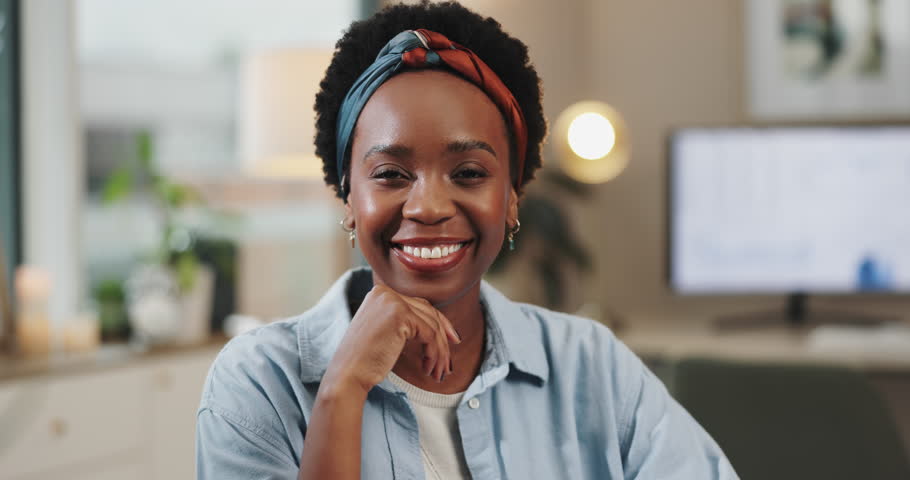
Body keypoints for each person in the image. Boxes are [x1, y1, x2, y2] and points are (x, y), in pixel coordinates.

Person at [196, 2, 738, 479]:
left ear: (512, 196)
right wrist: (341, 390)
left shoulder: (591, 366)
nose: (428, 206)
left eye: (470, 173)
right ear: (348, 198)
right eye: (390, 174)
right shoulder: (260, 383)